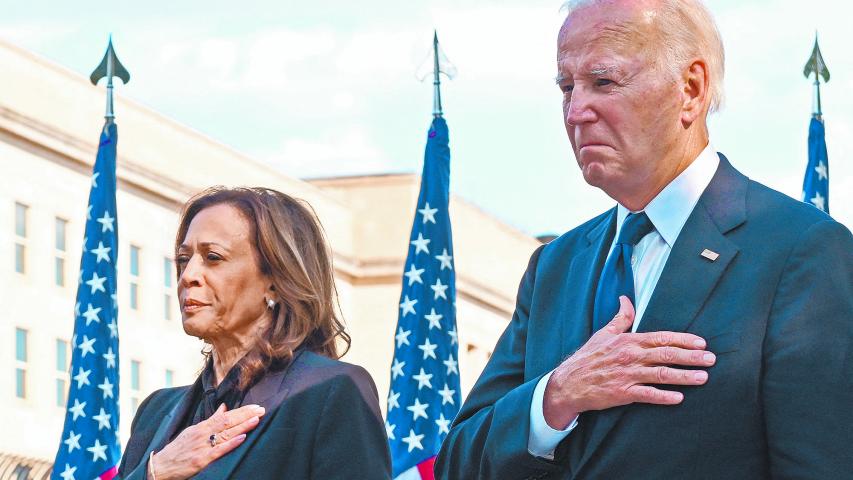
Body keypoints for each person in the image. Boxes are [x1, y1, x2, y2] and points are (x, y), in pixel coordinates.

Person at [435, 0, 853, 478]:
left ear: (690, 89)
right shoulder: (554, 266)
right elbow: (457, 464)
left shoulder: (801, 251)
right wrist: (555, 396)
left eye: (604, 82)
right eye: (566, 87)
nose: (576, 112)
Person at [118, 187, 391, 480]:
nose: (188, 276)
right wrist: (156, 472)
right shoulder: (155, 411)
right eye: (184, 259)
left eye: (213, 257)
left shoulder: (332, 390)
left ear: (275, 280)